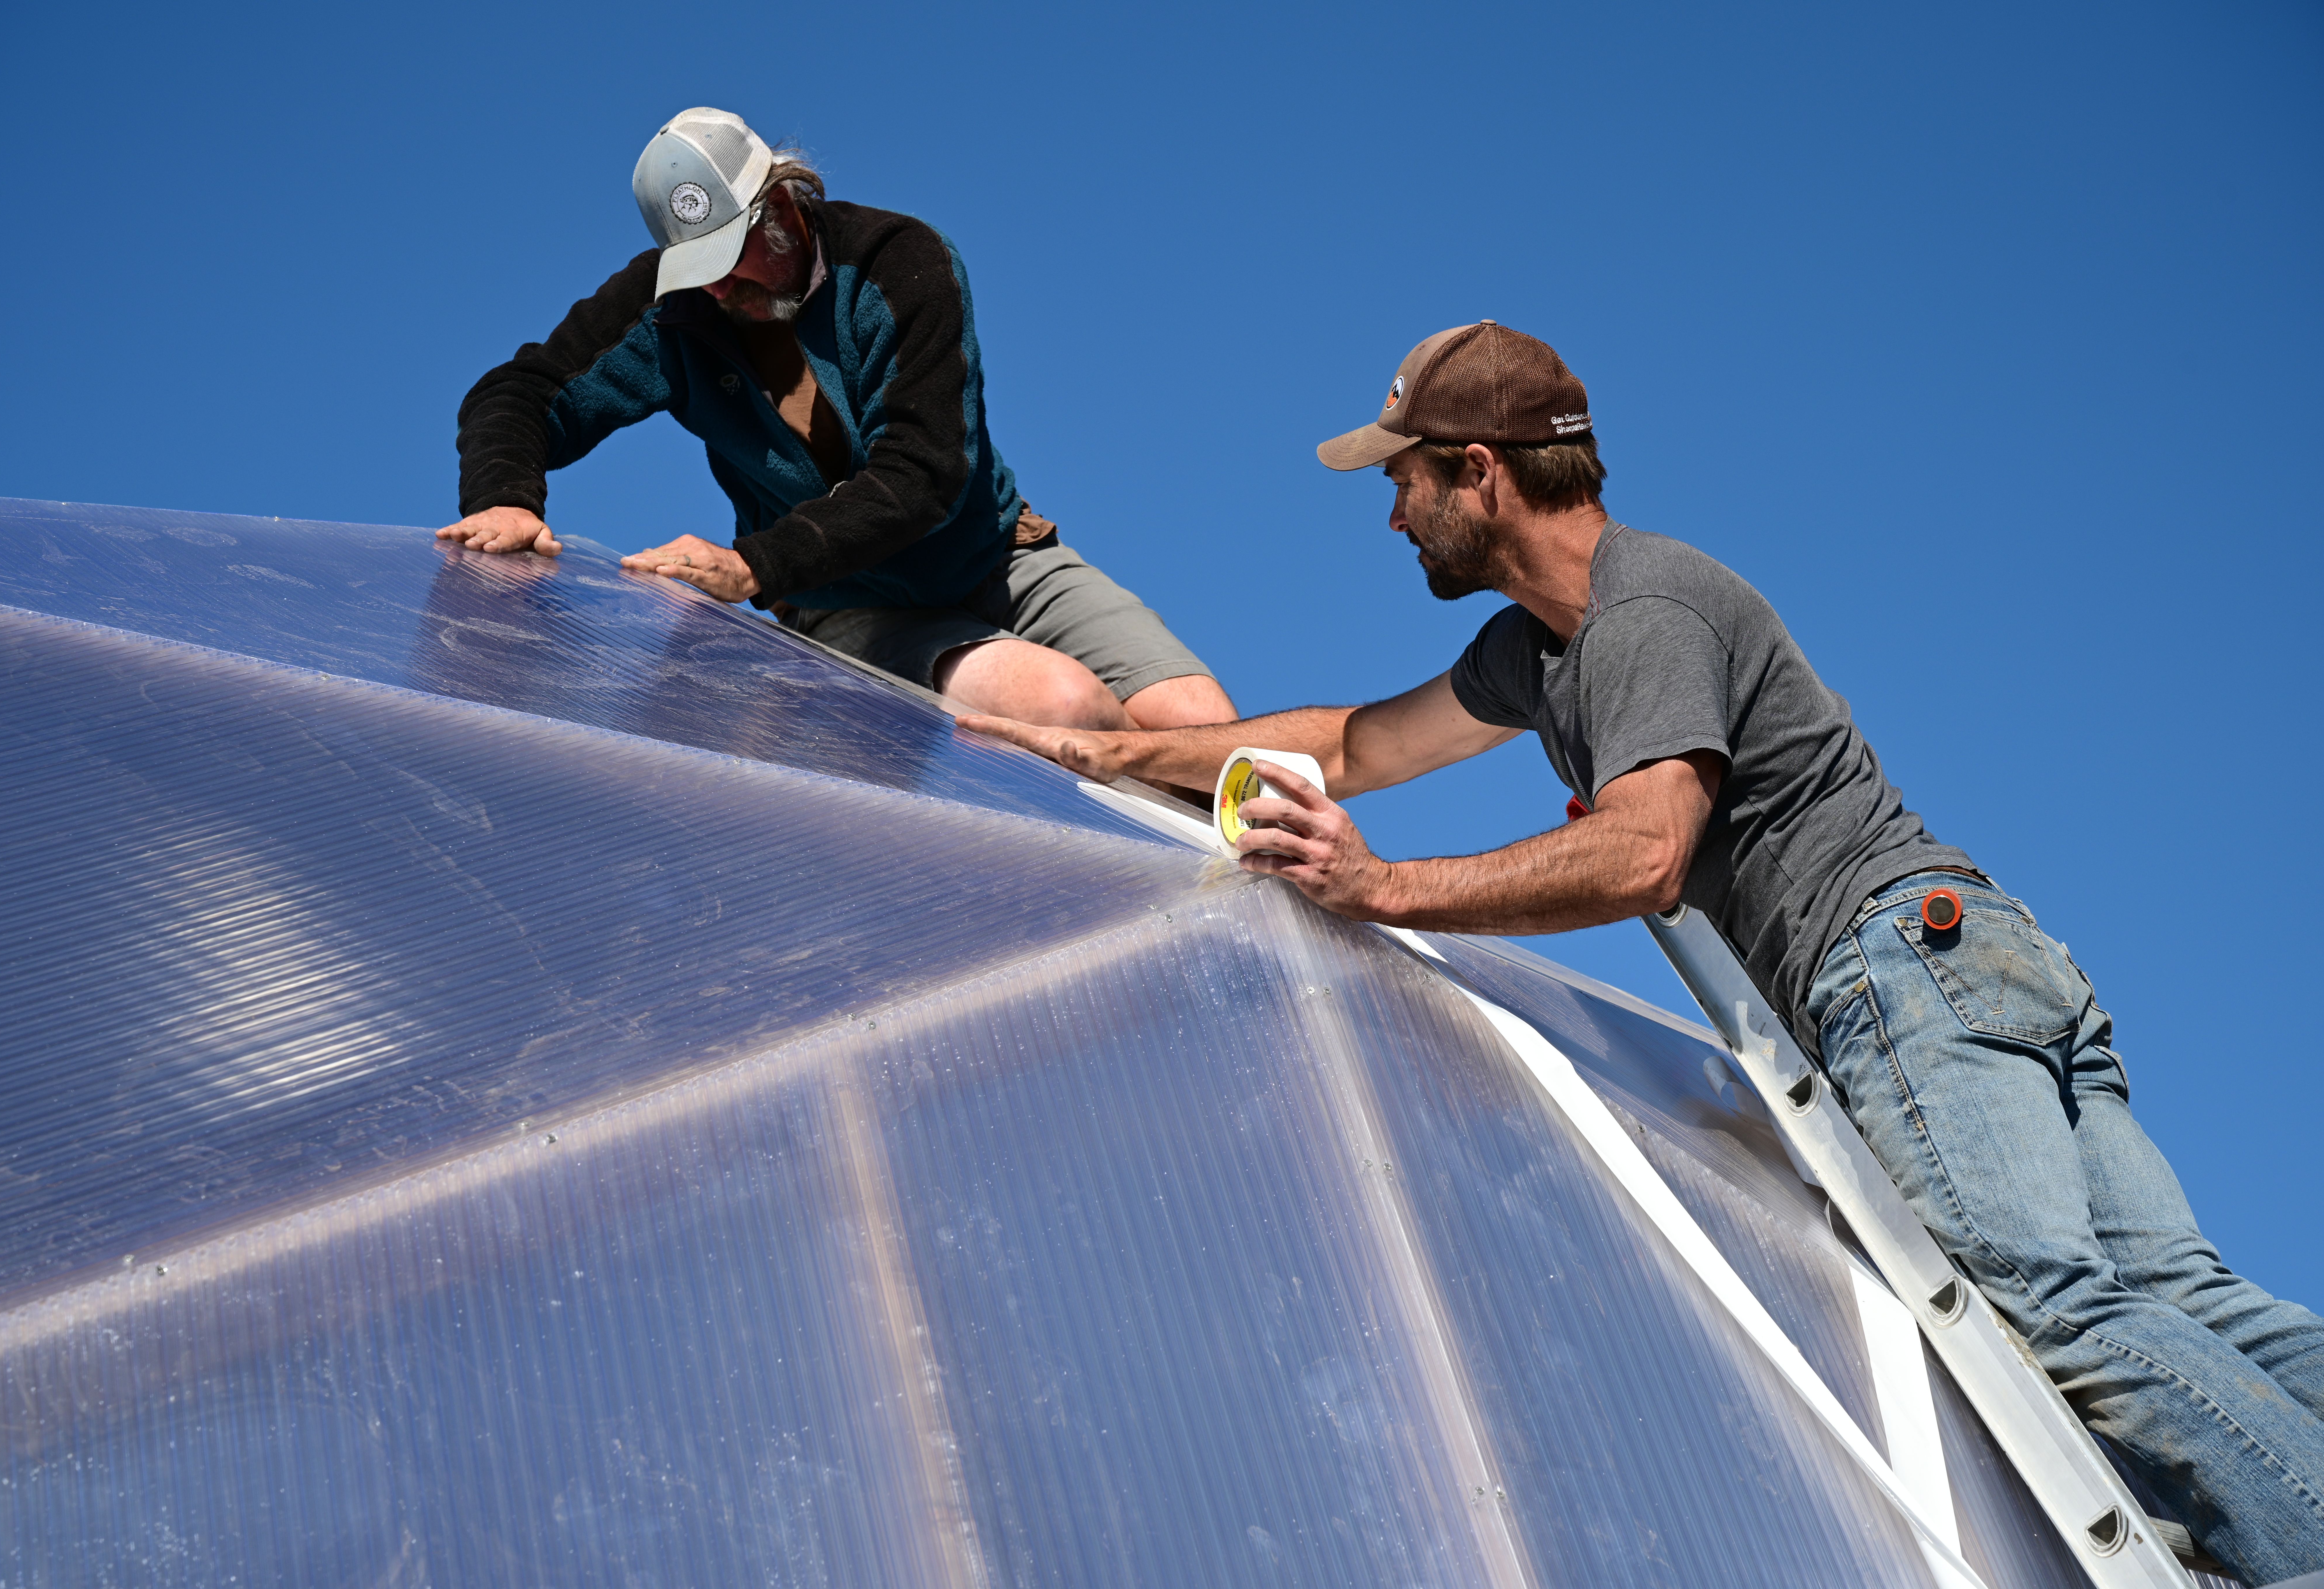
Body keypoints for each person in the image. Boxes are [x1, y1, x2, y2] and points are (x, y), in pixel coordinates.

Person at [962, 320, 2324, 1585]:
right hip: (1979, 958)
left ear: (1477, 473)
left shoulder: (1641, 617)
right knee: (2175, 1294)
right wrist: (1101, 750)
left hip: (1897, 971)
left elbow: (1642, 851)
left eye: (1404, 480)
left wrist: (1378, 890)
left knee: (2050, 1312)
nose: (1389, 511)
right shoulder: (1541, 650)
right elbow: (1355, 743)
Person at [438, 106, 1233, 741]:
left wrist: (749, 565)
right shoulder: (672, 308)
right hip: (843, 601)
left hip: (993, 555)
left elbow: (924, 472)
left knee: (1217, 742)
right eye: (697, 269)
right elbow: (520, 391)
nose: (717, 289)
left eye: (732, 258)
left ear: (783, 205)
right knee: (1064, 707)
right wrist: (508, 497)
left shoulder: (897, 261)